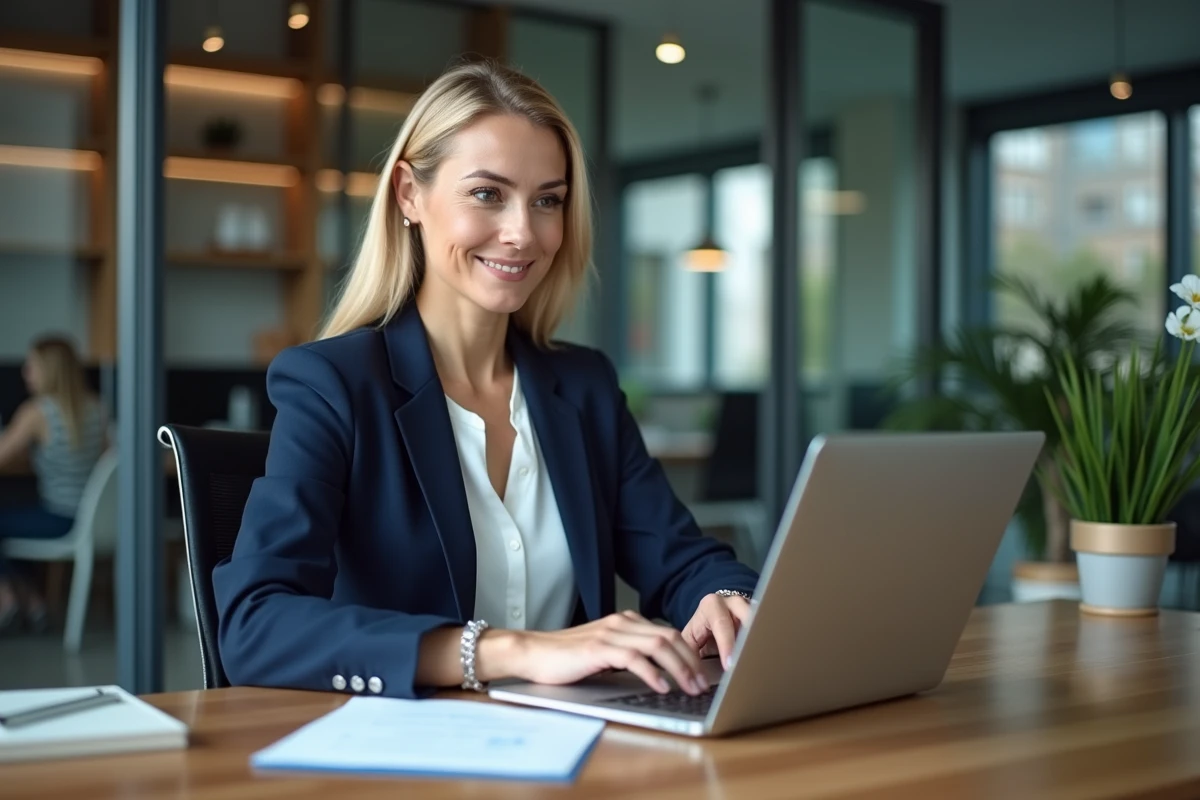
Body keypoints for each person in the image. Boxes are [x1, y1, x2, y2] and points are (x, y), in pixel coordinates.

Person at [213, 60, 760, 701]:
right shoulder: (333, 385)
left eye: (547, 200)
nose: (522, 232)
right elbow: (256, 624)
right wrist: (507, 650)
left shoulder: (582, 388)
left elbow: (681, 556)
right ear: (409, 195)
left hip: (581, 748)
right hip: (401, 756)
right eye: (486, 193)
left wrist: (726, 596)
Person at [0, 335, 109, 631]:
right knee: (14, 521)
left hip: (58, 518)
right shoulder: (95, 408)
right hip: (90, 518)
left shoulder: (37, 412)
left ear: (48, 370)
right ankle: (34, 603)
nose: (25, 372)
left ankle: (7, 598)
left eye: (31, 365)